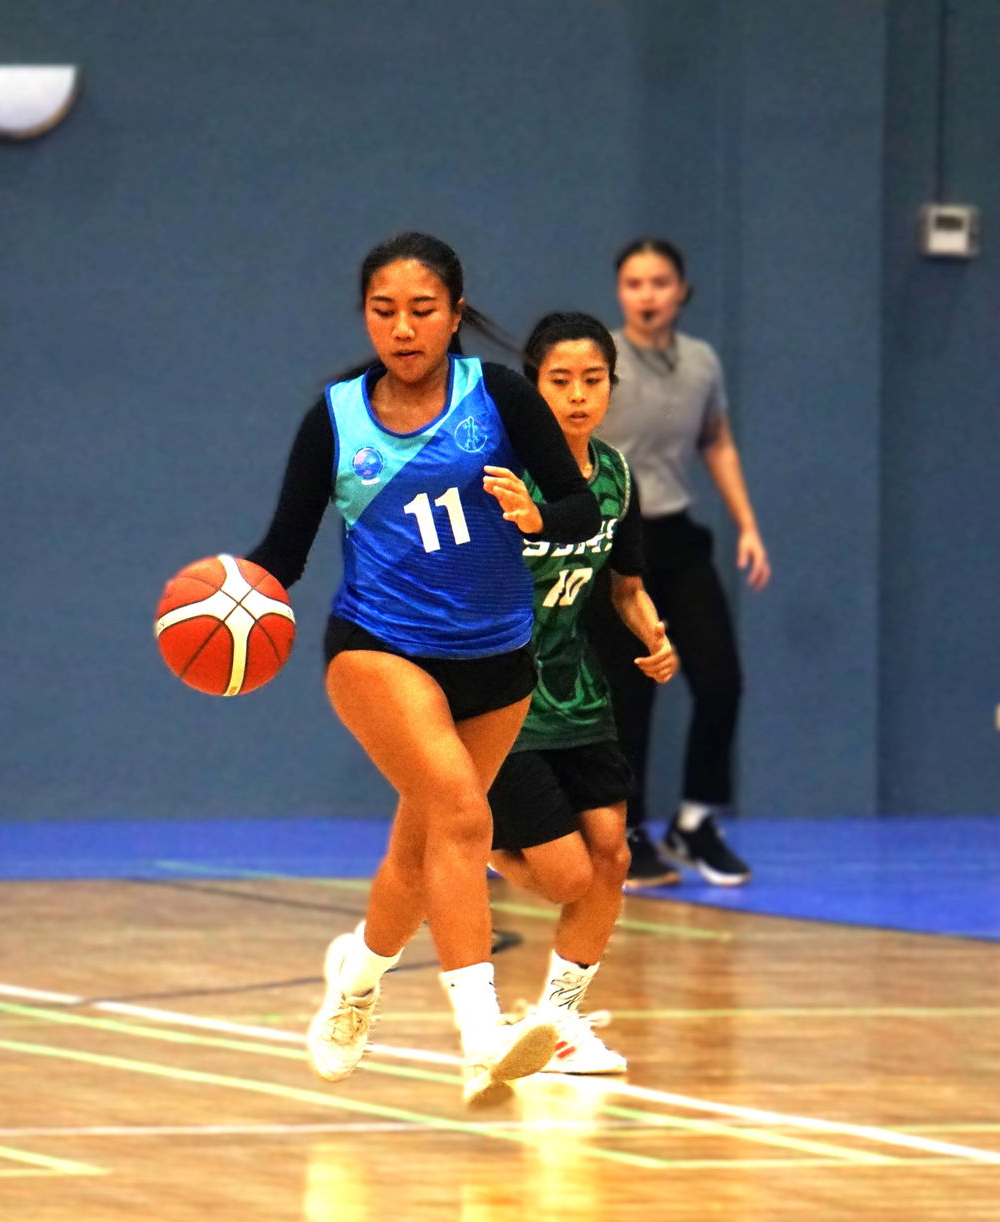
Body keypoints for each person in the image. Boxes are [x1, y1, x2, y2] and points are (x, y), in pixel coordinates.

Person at [244, 232, 601, 1106]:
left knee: (421, 852)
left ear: (453, 311)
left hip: (496, 658)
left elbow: (579, 506)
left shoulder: (502, 396)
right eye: (383, 310)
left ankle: (356, 980)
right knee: (461, 810)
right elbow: (282, 554)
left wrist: (536, 513)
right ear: (366, 315)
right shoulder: (337, 415)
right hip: (379, 647)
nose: (402, 328)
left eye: (421, 309)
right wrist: (226, 599)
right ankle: (482, 1035)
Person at [485, 311, 677, 1074]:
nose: (576, 395)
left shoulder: (615, 475)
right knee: (566, 873)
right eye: (559, 380)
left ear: (611, 386)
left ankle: (559, 1021)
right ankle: (466, 843)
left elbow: (626, 588)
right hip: (503, 693)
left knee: (612, 857)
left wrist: (655, 637)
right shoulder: (502, 476)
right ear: (533, 386)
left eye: (592, 380)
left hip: (579, 689)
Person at [587, 237, 771, 889]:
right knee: (628, 699)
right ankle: (627, 833)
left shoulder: (702, 363)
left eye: (660, 281)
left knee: (721, 679)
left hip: (679, 538)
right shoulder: (596, 362)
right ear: (620, 292)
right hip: (612, 545)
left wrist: (748, 525)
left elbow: (716, 440)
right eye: (635, 282)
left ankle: (694, 823)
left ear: (681, 289)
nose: (648, 294)